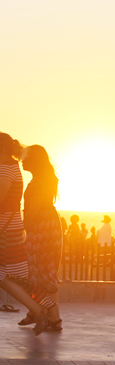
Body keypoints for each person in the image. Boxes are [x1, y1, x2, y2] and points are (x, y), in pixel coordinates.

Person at [0, 133, 48, 334]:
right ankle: (39, 310)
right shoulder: (12, 167)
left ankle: (39, 310)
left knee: (5, 276)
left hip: (4, 229)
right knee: (8, 276)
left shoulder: (5, 169)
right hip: (9, 227)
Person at [19, 145, 63, 331]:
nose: (22, 160)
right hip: (48, 226)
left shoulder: (38, 183)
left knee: (40, 272)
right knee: (42, 272)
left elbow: (33, 211)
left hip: (41, 229)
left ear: (34, 160)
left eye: (26, 157)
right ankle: (37, 313)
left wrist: (21, 230)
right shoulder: (43, 179)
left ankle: (53, 318)